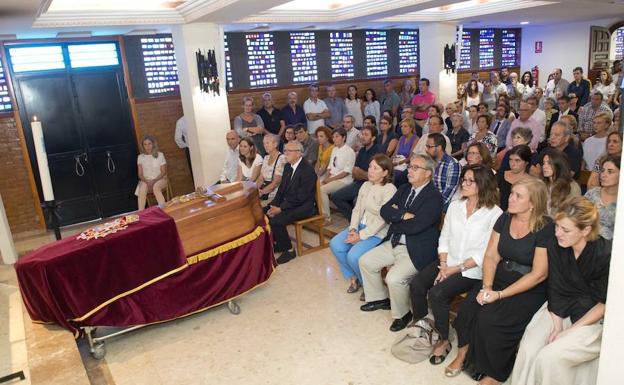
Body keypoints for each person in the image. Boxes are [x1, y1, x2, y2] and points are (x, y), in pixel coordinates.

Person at [446, 178, 553, 384]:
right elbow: (491, 256)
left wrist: (499, 295)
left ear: (532, 203)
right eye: (511, 193)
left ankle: (495, 373)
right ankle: (464, 356)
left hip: (529, 287)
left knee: (491, 320)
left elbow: (539, 274)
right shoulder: (504, 219)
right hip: (498, 278)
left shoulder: (545, 227)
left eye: (518, 196)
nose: (510, 198)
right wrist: (487, 286)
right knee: (468, 311)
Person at [511, 197, 610, 385]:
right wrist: (557, 327)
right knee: (529, 349)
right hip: (558, 306)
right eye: (557, 226)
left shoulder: (604, 254)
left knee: (549, 358)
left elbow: (603, 304)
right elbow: (554, 288)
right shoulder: (556, 245)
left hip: (593, 317)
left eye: (565, 230)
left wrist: (569, 331)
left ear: (586, 230)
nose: (557, 233)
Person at [410, 165, 502, 366]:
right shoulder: (455, 206)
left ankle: (443, 340)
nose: (464, 184)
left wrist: (453, 269)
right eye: (464, 179)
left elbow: (486, 252)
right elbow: (445, 236)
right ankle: (424, 329)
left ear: (483, 184)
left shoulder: (494, 213)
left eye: (470, 181)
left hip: (473, 270)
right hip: (448, 261)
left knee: (437, 293)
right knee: (417, 285)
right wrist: (443, 264)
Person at [359, 154, 443, 332]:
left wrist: (396, 217)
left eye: (415, 168)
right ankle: (380, 299)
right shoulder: (404, 188)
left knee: (394, 278)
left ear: (428, 173)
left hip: (416, 249)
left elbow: (417, 226)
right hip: (395, 241)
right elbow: (384, 210)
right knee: (365, 261)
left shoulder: (434, 197)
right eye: (409, 167)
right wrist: (403, 215)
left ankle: (403, 314)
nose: (409, 171)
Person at [329, 154, 396, 296]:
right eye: (370, 167)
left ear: (385, 172)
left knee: (353, 256)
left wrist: (361, 236)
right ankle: (355, 277)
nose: (370, 171)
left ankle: (369, 286)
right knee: (335, 244)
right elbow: (357, 209)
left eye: (375, 168)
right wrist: (353, 228)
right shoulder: (365, 185)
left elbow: (382, 219)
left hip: (378, 233)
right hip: (360, 227)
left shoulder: (389, 189)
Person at [265, 141, 317, 264]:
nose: (285, 154)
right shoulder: (288, 166)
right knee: (265, 212)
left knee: (276, 221)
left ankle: (289, 250)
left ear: (299, 153)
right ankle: (281, 244)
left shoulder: (307, 170)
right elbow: (281, 189)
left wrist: (281, 208)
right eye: (285, 151)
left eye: (289, 151)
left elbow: (301, 197)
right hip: (291, 202)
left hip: (305, 206)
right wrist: (273, 204)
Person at [330, 126, 382, 221]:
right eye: (362, 134)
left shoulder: (378, 151)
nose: (362, 137)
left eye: (366, 135)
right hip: (358, 182)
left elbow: (374, 175)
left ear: (373, 138)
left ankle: (359, 221)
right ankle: (354, 220)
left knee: (355, 200)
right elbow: (354, 172)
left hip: (372, 184)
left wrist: (361, 173)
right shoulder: (362, 150)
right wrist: (361, 173)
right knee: (335, 196)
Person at [320, 128, 356, 223]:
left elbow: (346, 172)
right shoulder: (334, 149)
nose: (334, 139)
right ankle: (319, 213)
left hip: (344, 180)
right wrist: (326, 178)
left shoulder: (349, 151)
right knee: (316, 185)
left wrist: (330, 180)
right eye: (333, 137)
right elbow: (330, 166)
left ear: (344, 138)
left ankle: (327, 218)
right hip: (332, 177)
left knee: (322, 190)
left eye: (337, 136)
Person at [585, 155, 620, 240]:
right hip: (589, 242)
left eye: (610, 172)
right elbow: (580, 218)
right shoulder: (592, 194)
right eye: (602, 171)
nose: (603, 175)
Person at [425, 133, 462, 211]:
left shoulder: (452, 164)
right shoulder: (427, 161)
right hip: (427, 199)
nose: (426, 149)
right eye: (426, 146)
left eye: (429, 147)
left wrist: (430, 206)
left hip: (441, 205)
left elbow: (448, 193)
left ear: (439, 148)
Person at [539, 150, 581, 215]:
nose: (544, 166)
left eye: (549, 163)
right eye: (544, 163)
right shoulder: (542, 184)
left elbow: (575, 213)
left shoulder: (572, 187)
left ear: (559, 165)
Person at [136, 136, 167, 210]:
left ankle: (164, 210)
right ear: (142, 146)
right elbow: (140, 174)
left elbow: (163, 172)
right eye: (145, 144)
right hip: (146, 180)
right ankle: (141, 213)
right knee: (142, 188)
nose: (147, 146)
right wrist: (147, 181)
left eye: (149, 143)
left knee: (156, 186)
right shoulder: (140, 157)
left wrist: (154, 181)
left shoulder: (160, 155)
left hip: (160, 179)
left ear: (153, 144)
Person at [498, 145, 532, 211]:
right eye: (510, 160)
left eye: (517, 160)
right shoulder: (500, 175)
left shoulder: (531, 183)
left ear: (526, 162)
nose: (512, 164)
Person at [257, 135, 285, 202]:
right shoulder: (266, 158)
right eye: (264, 143)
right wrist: (255, 190)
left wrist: (261, 192)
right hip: (263, 193)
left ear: (275, 144)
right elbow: (261, 178)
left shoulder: (282, 158)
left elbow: (276, 182)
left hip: (275, 195)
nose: (265, 145)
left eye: (267, 143)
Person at [174, 116, 193, 183]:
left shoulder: (181, 121)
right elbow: (177, 139)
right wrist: (187, 146)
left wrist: (187, 145)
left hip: (191, 149)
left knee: (195, 174)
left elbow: (178, 139)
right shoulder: (181, 121)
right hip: (193, 150)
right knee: (196, 174)